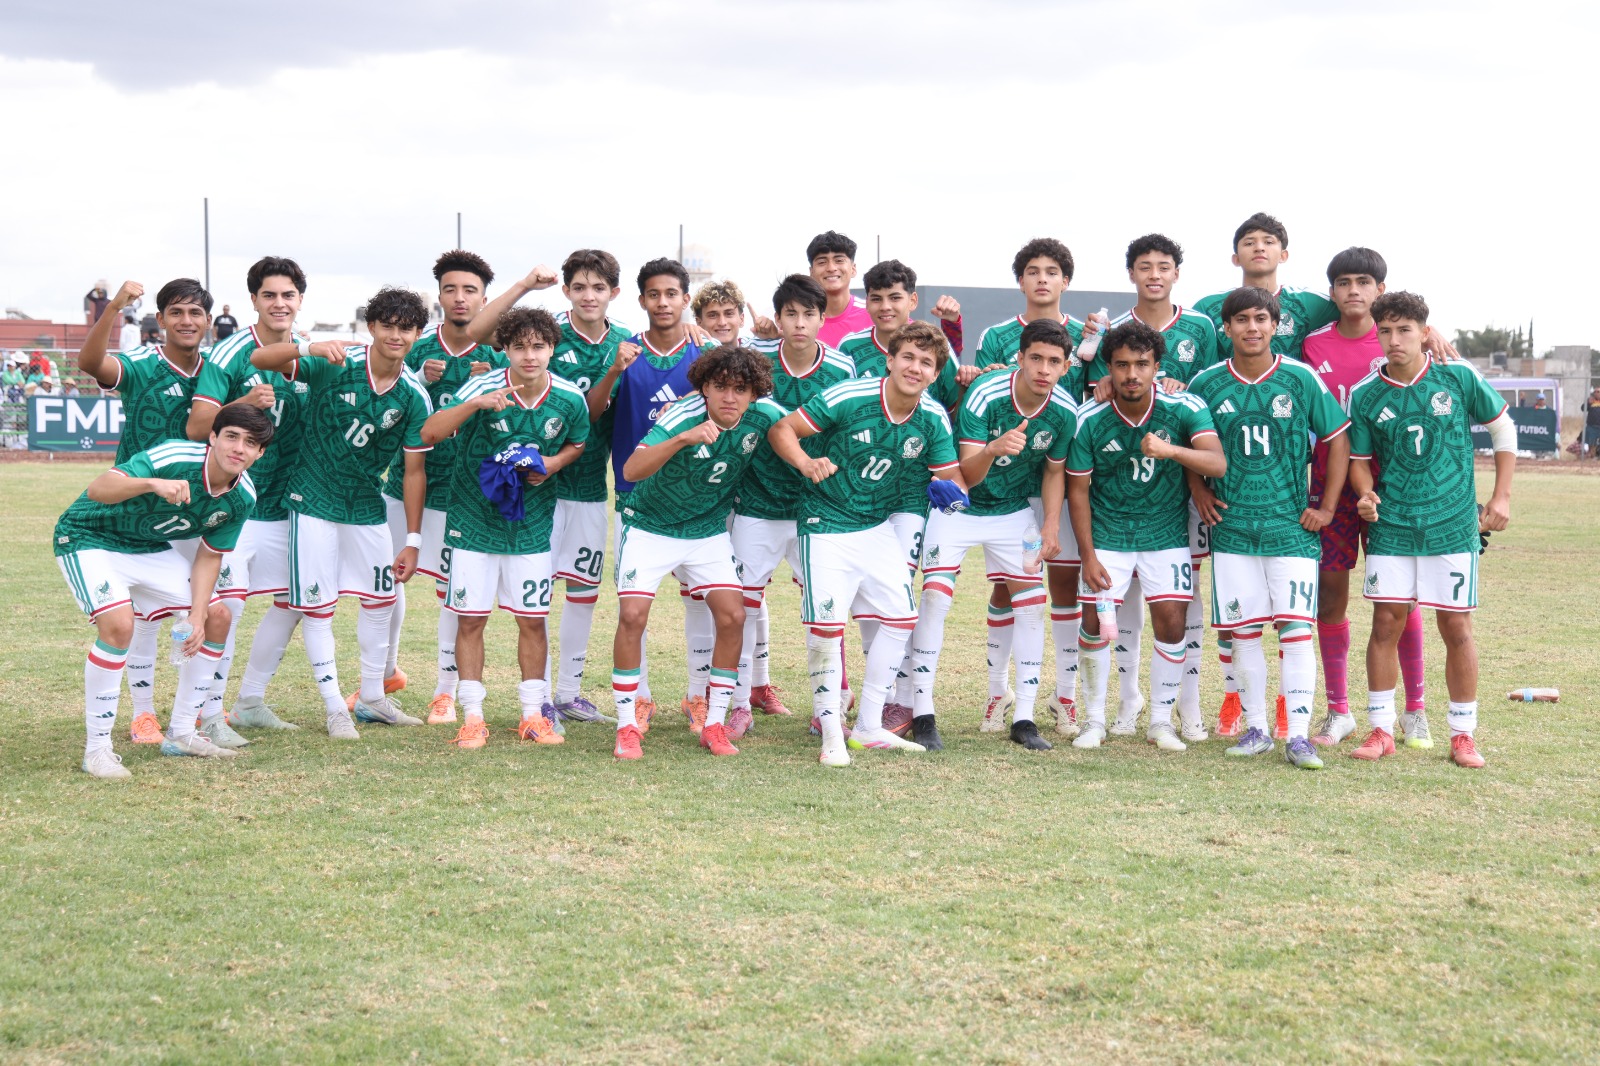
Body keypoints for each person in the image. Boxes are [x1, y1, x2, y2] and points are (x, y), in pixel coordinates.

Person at [767, 320, 964, 767]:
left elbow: (952, 478)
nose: (915, 368)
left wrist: (950, 490)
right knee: (826, 629)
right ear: (890, 360)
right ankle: (832, 732)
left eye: (926, 363)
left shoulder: (931, 417)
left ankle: (870, 726)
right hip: (825, 522)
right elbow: (782, 430)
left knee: (901, 617)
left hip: (875, 526)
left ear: (935, 374)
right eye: (908, 357)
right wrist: (805, 461)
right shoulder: (849, 395)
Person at [249, 287, 435, 738]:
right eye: (386, 325)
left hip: (365, 506)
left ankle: (371, 697)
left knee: (381, 600)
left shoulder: (414, 396)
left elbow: (413, 472)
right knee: (317, 606)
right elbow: (262, 360)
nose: (395, 335)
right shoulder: (337, 364)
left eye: (405, 328)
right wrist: (308, 346)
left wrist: (412, 539)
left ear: (416, 333)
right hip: (311, 498)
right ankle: (335, 705)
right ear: (371, 327)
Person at [55, 404, 272, 778]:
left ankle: (183, 732)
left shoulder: (243, 497)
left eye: (250, 443)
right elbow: (99, 488)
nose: (239, 448)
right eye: (232, 436)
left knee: (219, 616)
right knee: (120, 626)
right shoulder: (174, 456)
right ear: (213, 437)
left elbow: (209, 556)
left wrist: (197, 615)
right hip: (88, 536)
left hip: (146, 547)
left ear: (260, 453)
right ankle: (97, 751)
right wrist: (151, 483)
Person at [1346, 291, 1515, 769]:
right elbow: (1359, 463)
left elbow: (1504, 430)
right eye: (1385, 331)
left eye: (1404, 330)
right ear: (1376, 333)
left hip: (1451, 525)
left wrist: (1501, 497)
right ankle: (1381, 728)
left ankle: (1463, 735)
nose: (1394, 340)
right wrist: (1364, 494)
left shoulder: (1457, 376)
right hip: (1393, 527)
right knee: (1385, 625)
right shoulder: (1365, 393)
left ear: (1425, 331)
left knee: (1456, 626)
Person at [1186, 287, 1351, 770]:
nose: (1252, 328)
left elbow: (1337, 440)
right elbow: (1186, 437)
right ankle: (1257, 727)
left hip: (1289, 529)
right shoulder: (1208, 382)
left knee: (1297, 629)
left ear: (1276, 325)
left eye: (1261, 318)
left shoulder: (1299, 378)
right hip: (1233, 528)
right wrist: (1197, 488)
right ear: (1227, 327)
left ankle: (1297, 736)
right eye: (1241, 320)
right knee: (1244, 633)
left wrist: (1326, 506)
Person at [906, 318, 1080, 751]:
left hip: (1012, 512)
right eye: (1035, 358)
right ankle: (922, 713)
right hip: (959, 507)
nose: (1043, 368)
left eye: (1054, 361)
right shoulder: (985, 394)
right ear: (1019, 358)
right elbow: (964, 475)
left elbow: (1055, 472)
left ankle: (1024, 719)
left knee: (1032, 605)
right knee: (935, 598)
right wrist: (993, 448)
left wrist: (1051, 525)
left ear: (1066, 366)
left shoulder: (1063, 410)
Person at [419, 306, 590, 749]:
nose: (529, 356)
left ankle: (533, 714)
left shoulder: (569, 398)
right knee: (471, 619)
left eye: (538, 346)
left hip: (531, 526)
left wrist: (552, 463)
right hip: (473, 523)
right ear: (505, 350)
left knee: (532, 621)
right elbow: (430, 432)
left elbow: (578, 442)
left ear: (552, 348)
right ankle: (472, 716)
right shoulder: (483, 384)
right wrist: (474, 403)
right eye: (519, 347)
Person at [610, 345, 786, 760]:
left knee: (733, 614)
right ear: (704, 387)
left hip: (706, 530)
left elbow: (795, 427)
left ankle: (714, 725)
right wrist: (683, 438)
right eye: (720, 386)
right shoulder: (681, 417)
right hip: (650, 526)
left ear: (754, 393)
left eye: (740, 389)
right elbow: (631, 471)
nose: (729, 396)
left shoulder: (763, 415)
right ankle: (626, 727)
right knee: (632, 615)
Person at [1065, 320, 1225, 752]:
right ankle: (1095, 721)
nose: (1131, 374)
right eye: (1121, 365)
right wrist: (1088, 554)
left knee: (1172, 624)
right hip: (1109, 537)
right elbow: (1077, 492)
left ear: (1157, 366)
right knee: (1094, 624)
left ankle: (1160, 722)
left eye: (1142, 364)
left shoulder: (1184, 406)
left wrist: (1171, 450)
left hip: (1166, 534)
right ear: (1108, 367)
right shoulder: (1088, 418)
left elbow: (1216, 463)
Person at [973, 238, 1108, 737]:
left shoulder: (1090, 336)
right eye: (1033, 270)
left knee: (1065, 584)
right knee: (1010, 588)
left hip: (1066, 480)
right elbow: (982, 395)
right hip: (1010, 487)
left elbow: (1100, 392)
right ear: (1021, 280)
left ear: (1066, 280)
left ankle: (1064, 695)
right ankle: (997, 690)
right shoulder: (996, 336)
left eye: (1053, 270)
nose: (1043, 278)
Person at [1302, 248, 1431, 748]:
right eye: (1343, 283)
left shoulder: (1399, 342)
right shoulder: (1310, 345)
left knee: (1401, 600)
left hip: (1392, 487)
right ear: (1331, 292)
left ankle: (1414, 710)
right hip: (1327, 483)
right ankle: (1339, 711)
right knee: (1330, 595)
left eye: (1363, 282)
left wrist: (1437, 334)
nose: (1353, 291)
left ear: (1380, 289)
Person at [378, 251, 513, 725]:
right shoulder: (412, 346)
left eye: (470, 290)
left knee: (455, 594)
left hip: (463, 496)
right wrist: (417, 378)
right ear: (438, 295)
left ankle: (445, 690)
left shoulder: (499, 355)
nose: (460, 298)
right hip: (404, 485)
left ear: (484, 297)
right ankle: (382, 677)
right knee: (386, 584)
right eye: (451, 289)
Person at [77, 278, 212, 745]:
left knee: (210, 610)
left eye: (195, 313)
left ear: (208, 322)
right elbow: (90, 363)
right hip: (139, 509)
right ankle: (144, 714)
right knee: (144, 621)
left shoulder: (216, 371)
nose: (187, 321)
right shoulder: (141, 364)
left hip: (200, 508)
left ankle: (199, 713)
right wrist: (115, 306)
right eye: (176, 312)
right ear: (162, 320)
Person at [1103, 234, 1223, 742]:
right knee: (1126, 595)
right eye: (1144, 266)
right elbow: (1103, 395)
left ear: (1177, 273)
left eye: (1164, 266)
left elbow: (1205, 399)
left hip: (1184, 487)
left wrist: (1197, 481)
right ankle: (1129, 702)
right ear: (1131, 272)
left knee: (1184, 598)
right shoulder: (1111, 331)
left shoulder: (1199, 326)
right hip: (1129, 491)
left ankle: (1188, 707)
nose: (1154, 274)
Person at [186, 256, 311, 740]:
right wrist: (241, 406)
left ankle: (251, 700)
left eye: (288, 295)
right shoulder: (231, 352)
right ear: (255, 300)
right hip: (235, 505)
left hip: (288, 505)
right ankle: (207, 712)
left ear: (300, 300)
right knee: (228, 609)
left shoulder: (309, 354)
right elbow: (199, 427)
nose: (279, 304)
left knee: (297, 601)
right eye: (269, 295)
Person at [730, 275, 856, 734]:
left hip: (818, 509)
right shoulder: (754, 360)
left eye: (809, 314)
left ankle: (831, 707)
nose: (799, 323)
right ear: (777, 317)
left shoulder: (842, 369)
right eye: (791, 314)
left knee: (823, 608)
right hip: (758, 504)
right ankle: (738, 701)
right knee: (741, 605)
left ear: (823, 319)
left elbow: (846, 432)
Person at [590, 258, 711, 726]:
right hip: (636, 496)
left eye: (671, 294)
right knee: (633, 604)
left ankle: (697, 695)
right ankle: (638, 698)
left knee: (698, 598)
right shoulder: (623, 352)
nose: (663, 302)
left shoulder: (703, 353)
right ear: (641, 300)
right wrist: (614, 373)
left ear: (685, 299)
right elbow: (593, 415)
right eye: (653, 295)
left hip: (697, 495)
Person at [1193, 213, 1339, 362]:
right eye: (1249, 243)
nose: (1259, 248)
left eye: (1268, 242)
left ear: (1284, 255)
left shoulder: (1307, 303)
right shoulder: (1208, 307)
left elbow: (1357, 317)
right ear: (1236, 259)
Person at [807, 231, 873, 347]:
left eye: (839, 260)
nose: (831, 268)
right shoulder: (800, 320)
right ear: (811, 272)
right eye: (822, 262)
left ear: (853, 269)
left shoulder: (873, 312)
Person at [1584, 386, 1600, 458]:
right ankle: (1590, 458)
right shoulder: (1591, 400)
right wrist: (1588, 403)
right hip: (1591, 426)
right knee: (1591, 443)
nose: (1596, 393)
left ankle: (1597, 456)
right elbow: (1583, 408)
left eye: (1598, 392)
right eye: (1595, 392)